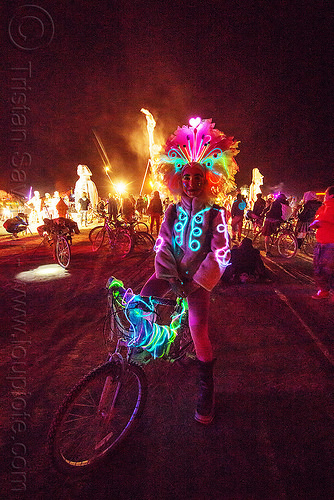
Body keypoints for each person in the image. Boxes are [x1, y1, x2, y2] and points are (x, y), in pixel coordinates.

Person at [140, 117, 239, 424]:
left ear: (207, 179)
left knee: (198, 331)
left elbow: (221, 253)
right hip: (172, 274)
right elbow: (163, 243)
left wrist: (196, 283)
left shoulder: (216, 212)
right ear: (178, 179)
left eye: (198, 177)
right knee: (142, 299)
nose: (192, 182)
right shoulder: (171, 209)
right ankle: (141, 346)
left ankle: (206, 386)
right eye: (186, 178)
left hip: (198, 283)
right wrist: (169, 276)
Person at [310, 186, 334, 301]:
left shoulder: (327, 208)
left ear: (331, 195)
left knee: (323, 269)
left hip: (328, 244)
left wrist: (319, 222)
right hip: (323, 242)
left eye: (325, 194)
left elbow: (321, 219)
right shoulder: (324, 207)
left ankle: (325, 291)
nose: (324, 197)